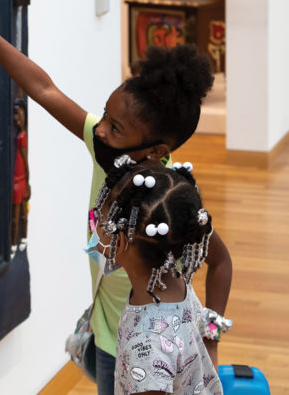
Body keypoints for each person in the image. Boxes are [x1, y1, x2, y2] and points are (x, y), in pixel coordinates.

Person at [0, 0, 232, 394]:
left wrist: (211, 334)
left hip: (153, 342)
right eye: (105, 117)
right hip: (111, 332)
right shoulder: (106, 149)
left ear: (156, 150)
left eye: (115, 127)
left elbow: (220, 262)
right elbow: (43, 89)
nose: (100, 130)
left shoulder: (170, 198)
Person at [90, 162, 227, 394]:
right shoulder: (176, 283)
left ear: (121, 241)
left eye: (98, 221)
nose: (94, 228)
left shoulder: (146, 347)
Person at [11, 98, 29, 253]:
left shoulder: (23, 137)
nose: (16, 119)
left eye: (18, 114)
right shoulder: (21, 135)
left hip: (21, 179)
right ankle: (15, 241)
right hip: (18, 179)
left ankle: (20, 239)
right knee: (17, 215)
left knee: (21, 213)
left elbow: (25, 159)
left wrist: (27, 182)